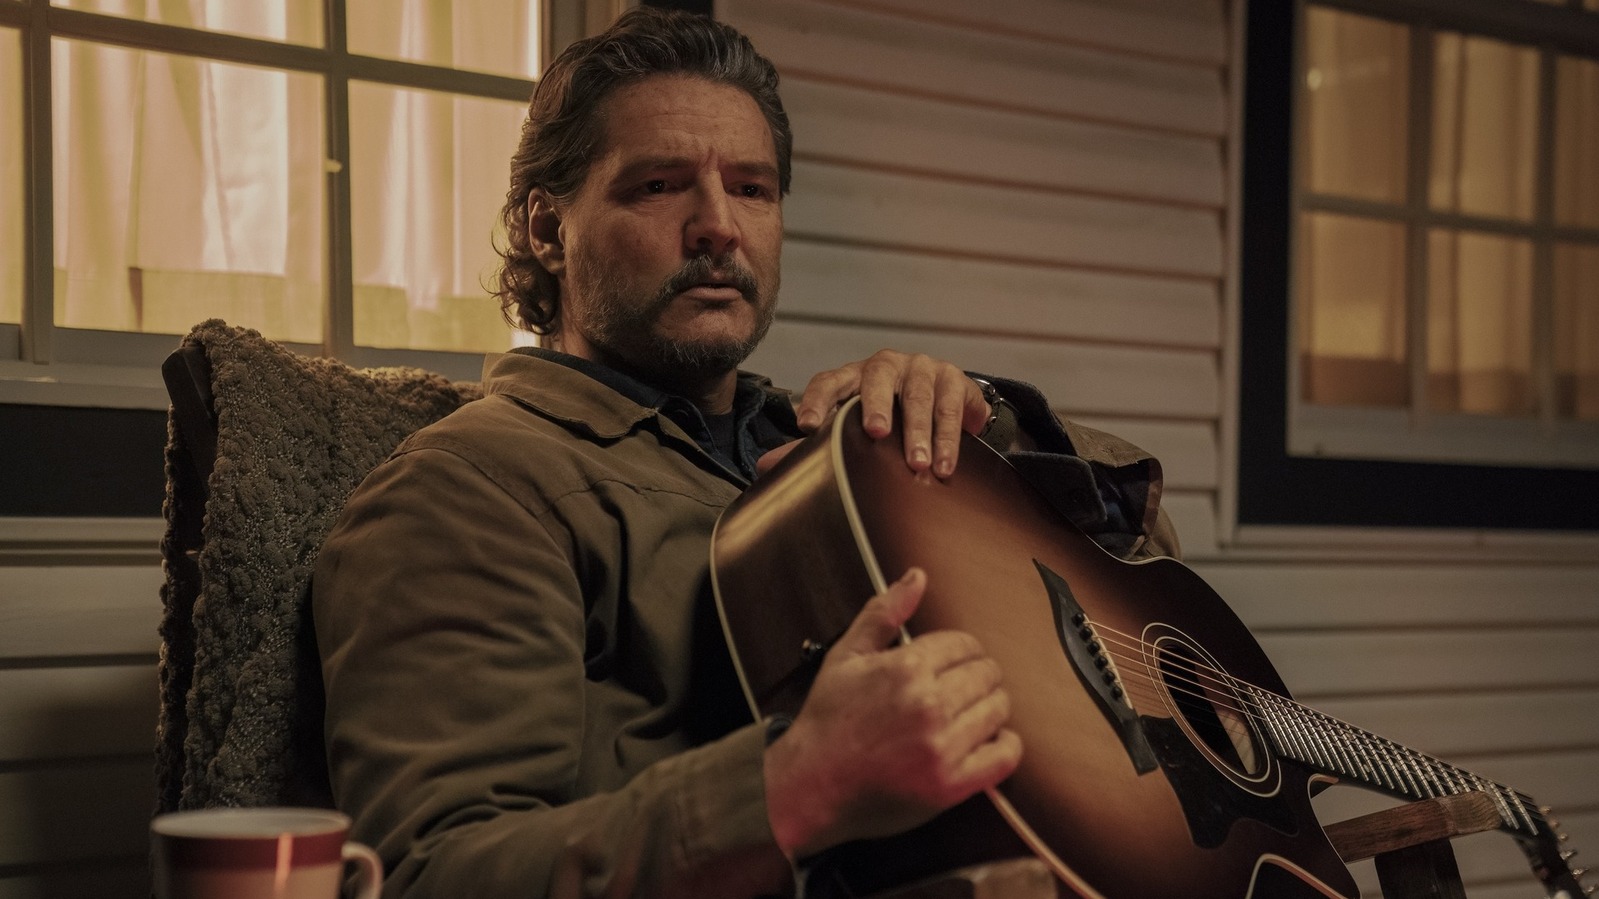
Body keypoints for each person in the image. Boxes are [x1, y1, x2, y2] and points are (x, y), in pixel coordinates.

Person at [312, 8, 1178, 898]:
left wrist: (990, 425)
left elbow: (1157, 564)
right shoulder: (471, 488)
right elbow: (427, 872)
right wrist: (793, 784)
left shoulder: (835, 445)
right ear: (547, 229)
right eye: (658, 185)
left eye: (753, 189)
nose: (718, 226)